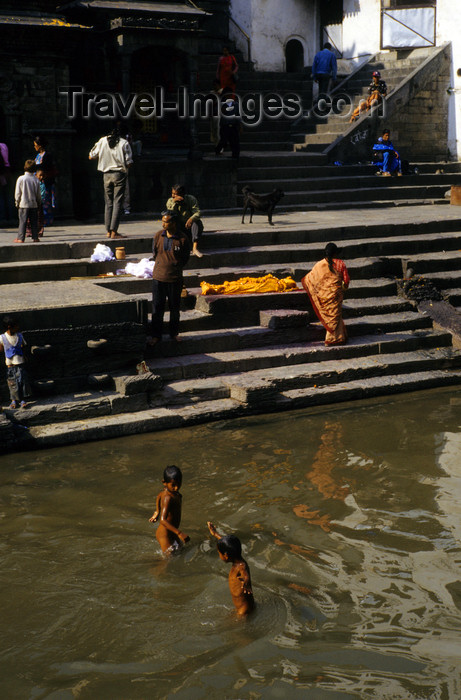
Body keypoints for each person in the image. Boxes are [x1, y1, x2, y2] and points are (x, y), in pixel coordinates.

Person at [149, 211, 191, 346]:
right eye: (162, 221)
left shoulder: (183, 239)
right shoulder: (158, 236)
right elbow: (155, 253)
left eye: (166, 221)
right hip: (158, 278)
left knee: (174, 308)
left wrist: (174, 267)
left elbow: (185, 258)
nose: (163, 224)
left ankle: (174, 333)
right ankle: (156, 336)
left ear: (173, 223)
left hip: (174, 279)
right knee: (157, 308)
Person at [302, 242, 350, 346]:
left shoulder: (319, 264)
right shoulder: (341, 264)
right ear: (335, 253)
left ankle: (340, 337)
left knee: (333, 317)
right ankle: (333, 339)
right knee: (336, 315)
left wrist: (321, 290)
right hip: (336, 295)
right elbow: (346, 281)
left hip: (324, 295)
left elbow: (310, 278)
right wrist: (342, 288)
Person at [89, 126, 133, 239]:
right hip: (119, 174)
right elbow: (129, 163)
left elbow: (91, 156)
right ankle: (114, 231)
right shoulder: (124, 143)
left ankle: (108, 231)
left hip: (106, 175)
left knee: (108, 203)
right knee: (117, 202)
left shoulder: (102, 141)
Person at [207, 521, 255, 617]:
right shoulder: (235, 556)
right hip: (242, 607)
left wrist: (246, 580)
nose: (219, 554)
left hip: (243, 611)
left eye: (219, 552)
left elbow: (245, 573)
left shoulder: (241, 566)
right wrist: (215, 534)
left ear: (226, 555)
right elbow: (226, 544)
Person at [149, 465, 189, 555]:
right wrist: (179, 533)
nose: (176, 487)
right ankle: (156, 565)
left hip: (172, 531)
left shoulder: (173, 492)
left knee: (181, 550)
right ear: (164, 482)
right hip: (164, 534)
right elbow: (163, 520)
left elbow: (159, 495)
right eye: (173, 485)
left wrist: (157, 511)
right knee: (168, 558)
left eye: (179, 484)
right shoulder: (168, 497)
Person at [0, 315, 31, 409]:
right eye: (16, 326)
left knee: (22, 381)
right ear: (9, 326)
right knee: (12, 383)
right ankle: (13, 400)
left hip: (20, 363)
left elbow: (24, 346)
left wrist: (25, 356)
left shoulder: (20, 336)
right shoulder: (2, 337)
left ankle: (22, 400)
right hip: (10, 365)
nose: (18, 327)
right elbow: (1, 349)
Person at [166, 184, 204, 257]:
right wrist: (174, 203)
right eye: (172, 193)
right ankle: (175, 248)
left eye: (175, 194)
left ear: (182, 194)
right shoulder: (170, 201)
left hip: (189, 227)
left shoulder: (191, 199)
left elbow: (198, 212)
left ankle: (194, 248)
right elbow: (169, 214)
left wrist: (191, 219)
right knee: (170, 223)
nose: (173, 196)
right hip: (178, 227)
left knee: (197, 222)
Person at [14, 159, 41, 243]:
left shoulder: (21, 179)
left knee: (23, 221)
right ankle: (35, 237)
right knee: (34, 222)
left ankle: (20, 238)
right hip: (33, 204)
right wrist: (38, 202)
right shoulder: (36, 179)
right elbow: (38, 194)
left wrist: (17, 202)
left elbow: (18, 193)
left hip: (23, 204)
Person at [33, 135, 57, 226]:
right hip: (37, 183)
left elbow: (46, 167)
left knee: (45, 202)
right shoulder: (38, 156)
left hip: (45, 182)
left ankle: (47, 221)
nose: (34, 147)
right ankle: (40, 220)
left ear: (40, 145)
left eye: (35, 145)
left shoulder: (47, 155)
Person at [215, 92, 241, 160]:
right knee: (224, 140)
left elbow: (238, 114)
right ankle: (218, 149)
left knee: (235, 141)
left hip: (233, 124)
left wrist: (239, 125)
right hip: (225, 125)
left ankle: (235, 154)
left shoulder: (235, 104)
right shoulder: (221, 105)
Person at [0, 138, 11, 221]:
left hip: (2, 172)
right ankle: (7, 216)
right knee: (5, 194)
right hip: (5, 171)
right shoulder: (4, 146)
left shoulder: (2, 146)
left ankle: (3, 216)